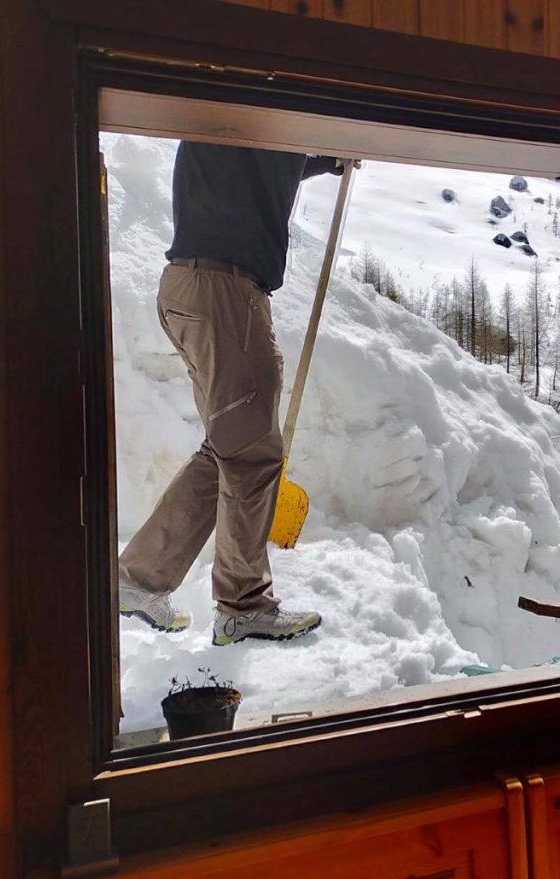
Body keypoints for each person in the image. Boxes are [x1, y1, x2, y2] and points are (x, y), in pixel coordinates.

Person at [118, 141, 351, 646]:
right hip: (225, 291)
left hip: (189, 286)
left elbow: (272, 159)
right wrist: (331, 143)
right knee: (252, 455)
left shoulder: (226, 123)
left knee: (225, 448)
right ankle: (243, 605)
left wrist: (324, 161)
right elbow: (278, 144)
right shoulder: (254, 106)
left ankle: (139, 579)